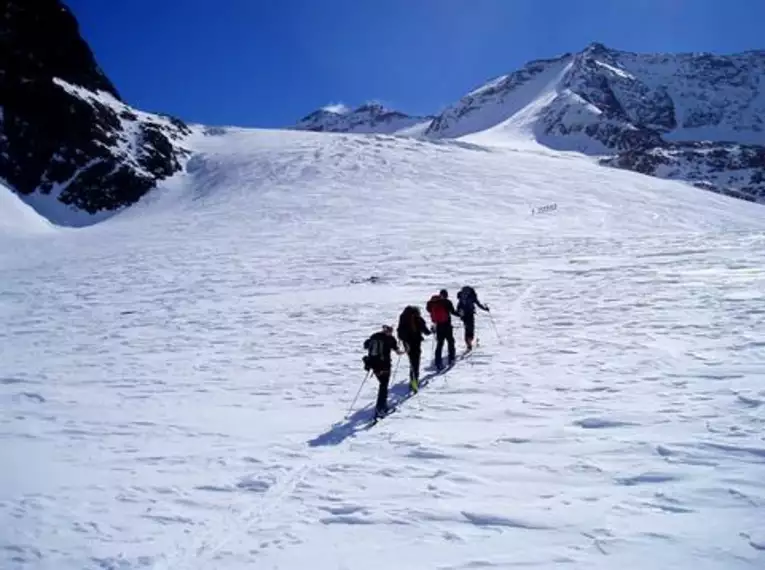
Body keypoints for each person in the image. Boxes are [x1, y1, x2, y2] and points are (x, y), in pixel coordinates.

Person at [363, 325, 403, 418]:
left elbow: (366, 345)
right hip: (384, 365)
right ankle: (381, 407)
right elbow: (397, 351)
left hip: (373, 365)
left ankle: (381, 405)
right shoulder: (390, 339)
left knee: (382, 384)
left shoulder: (374, 336)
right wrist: (403, 351)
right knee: (384, 385)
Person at [396, 305, 432, 393]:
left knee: (412, 362)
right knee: (415, 363)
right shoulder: (418, 319)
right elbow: (426, 331)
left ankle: (413, 381)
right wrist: (432, 331)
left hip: (406, 344)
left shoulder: (403, 318)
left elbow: (400, 331)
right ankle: (414, 383)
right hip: (415, 343)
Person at [425, 289, 460, 371]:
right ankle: (451, 358)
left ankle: (438, 362)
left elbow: (428, 309)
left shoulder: (433, 302)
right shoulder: (447, 302)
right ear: (446, 295)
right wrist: (460, 314)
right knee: (450, 341)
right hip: (447, 325)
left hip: (438, 326)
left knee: (440, 344)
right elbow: (453, 312)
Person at [456, 285, 489, 351]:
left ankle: (468, 343)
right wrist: (485, 309)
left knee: (466, 329)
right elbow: (478, 304)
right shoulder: (472, 296)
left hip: (464, 316)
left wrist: (459, 313)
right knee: (471, 329)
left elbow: (458, 306)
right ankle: (469, 343)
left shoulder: (461, 297)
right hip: (470, 315)